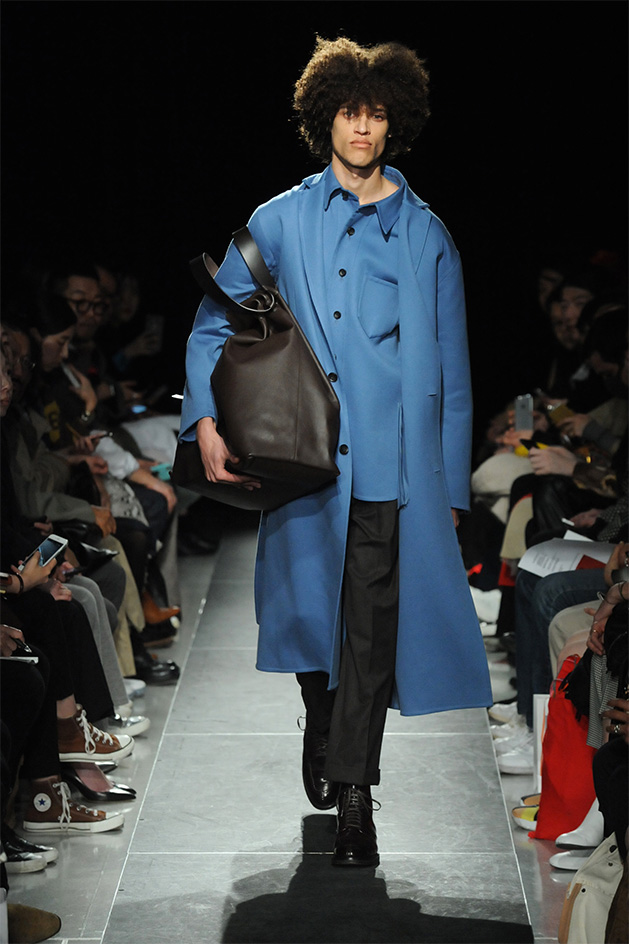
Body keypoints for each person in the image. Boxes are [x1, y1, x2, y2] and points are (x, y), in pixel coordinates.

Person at [180, 36, 492, 867]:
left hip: (392, 465)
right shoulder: (279, 220)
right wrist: (203, 420)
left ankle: (355, 798)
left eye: (376, 114)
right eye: (349, 112)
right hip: (302, 459)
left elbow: (451, 367)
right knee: (310, 618)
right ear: (325, 118)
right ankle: (322, 719)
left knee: (370, 632)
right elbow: (215, 324)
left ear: (396, 124)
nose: (362, 127)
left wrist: (447, 488)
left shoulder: (424, 234)